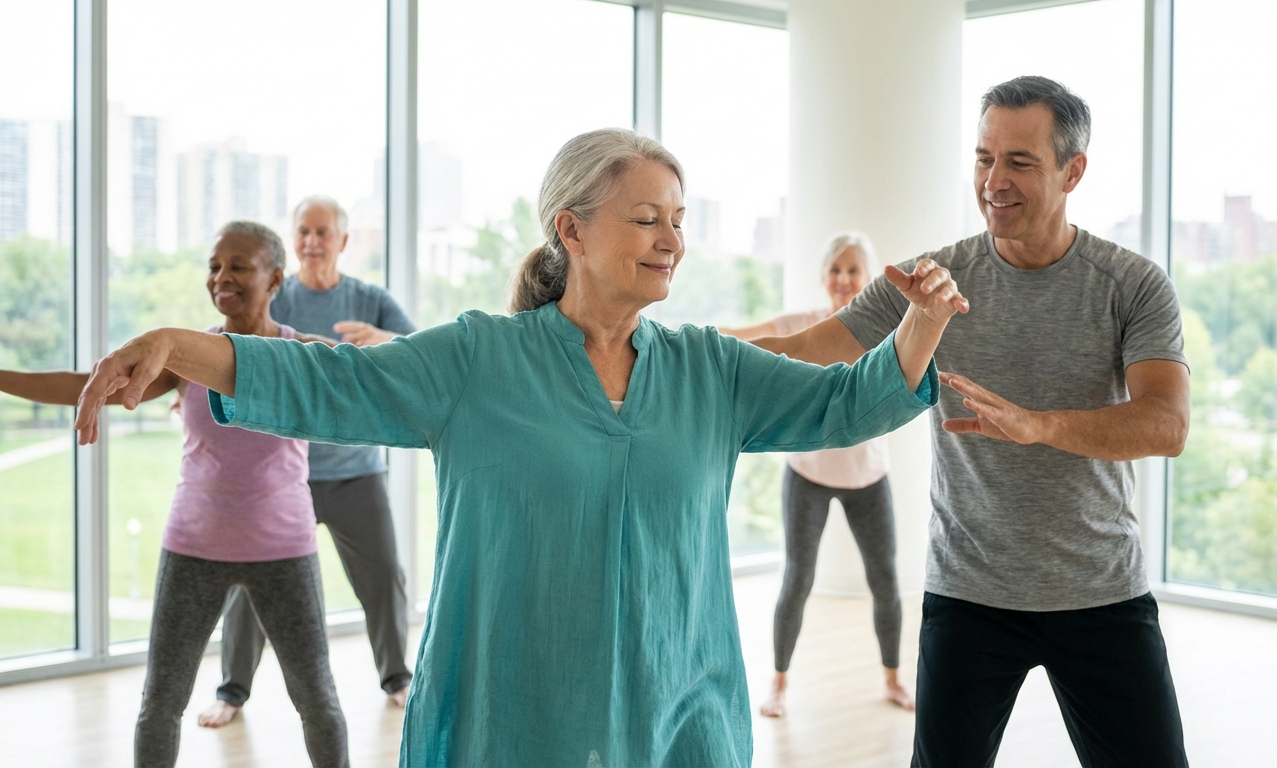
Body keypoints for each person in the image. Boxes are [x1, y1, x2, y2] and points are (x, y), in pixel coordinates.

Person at [74, 128, 968, 767]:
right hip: (510, 713)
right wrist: (179, 345)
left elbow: (849, 404)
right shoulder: (478, 359)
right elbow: (327, 383)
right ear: (571, 231)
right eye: (647, 217)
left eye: (680, 219)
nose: (673, 239)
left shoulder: (710, 369)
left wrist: (922, 325)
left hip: (680, 711)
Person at [756, 76, 1192, 766]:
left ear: (1073, 170)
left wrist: (1039, 425)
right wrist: (664, 353)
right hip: (969, 595)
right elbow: (809, 350)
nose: (995, 180)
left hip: (1101, 594)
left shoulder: (1130, 284)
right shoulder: (932, 281)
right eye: (985, 158)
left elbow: (1165, 425)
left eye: (1020, 162)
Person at [1, 222, 349, 767]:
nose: (222, 277)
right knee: (160, 703)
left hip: (284, 549)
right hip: (193, 546)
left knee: (316, 700)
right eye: (214, 266)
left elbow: (365, 384)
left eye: (238, 265)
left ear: (276, 277)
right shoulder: (187, 358)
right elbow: (82, 382)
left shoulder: (301, 353)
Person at [199, 195, 417, 729]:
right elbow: (239, 352)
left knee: (384, 576)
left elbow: (418, 355)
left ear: (343, 240)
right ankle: (232, 690)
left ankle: (397, 678)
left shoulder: (371, 299)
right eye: (303, 232)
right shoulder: (277, 296)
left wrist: (384, 341)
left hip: (356, 472)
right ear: (292, 241)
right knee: (250, 585)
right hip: (284, 478)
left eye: (323, 232)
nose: (312, 242)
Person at [722, 231, 913, 717]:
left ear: (866, 278)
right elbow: (745, 336)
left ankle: (894, 678)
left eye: (852, 270)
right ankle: (779, 684)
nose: (843, 279)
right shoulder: (803, 324)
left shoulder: (882, 332)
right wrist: (686, 340)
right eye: (836, 269)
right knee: (798, 577)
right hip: (807, 473)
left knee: (885, 580)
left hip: (867, 476)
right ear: (824, 275)